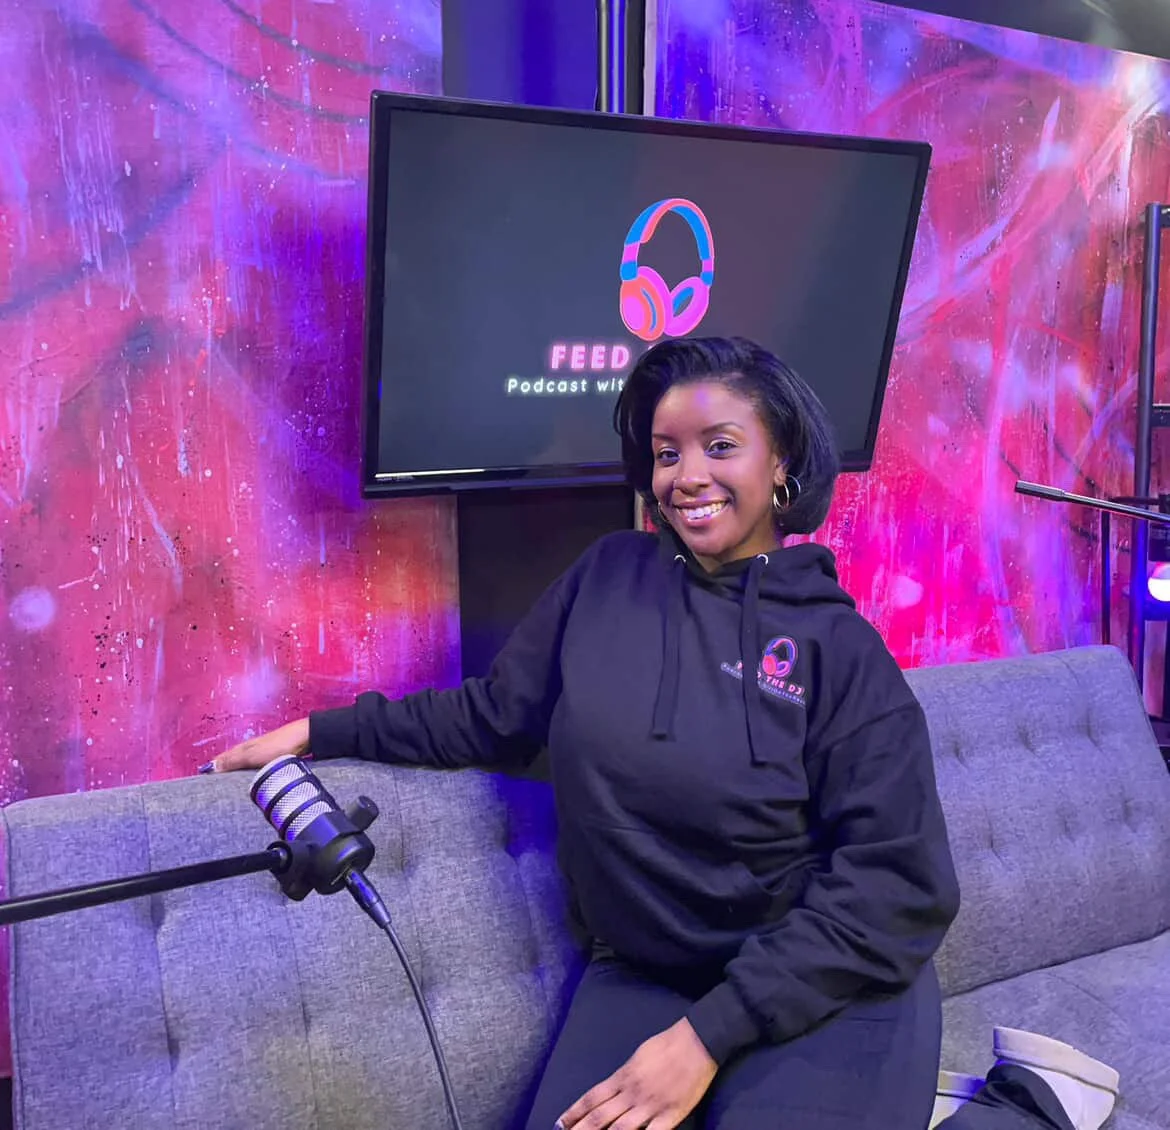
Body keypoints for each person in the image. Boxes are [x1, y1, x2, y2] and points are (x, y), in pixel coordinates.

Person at [203, 337, 1120, 1130]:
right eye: (666, 452)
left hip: (818, 985)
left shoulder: (841, 650)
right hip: (644, 973)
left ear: (781, 463)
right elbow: (491, 715)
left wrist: (706, 1040)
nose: (686, 477)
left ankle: (1025, 1101)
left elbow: (901, 888)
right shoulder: (607, 577)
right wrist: (319, 732)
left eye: (721, 446)